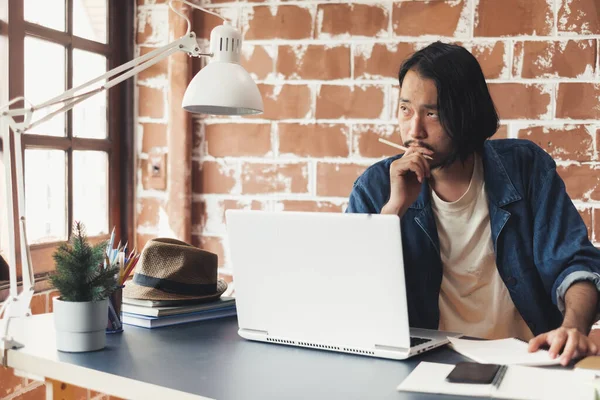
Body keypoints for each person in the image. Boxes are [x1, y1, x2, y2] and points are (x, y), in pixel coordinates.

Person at [346, 42, 600, 366]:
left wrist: (573, 328)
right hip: (424, 367)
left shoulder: (524, 168)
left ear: (466, 115)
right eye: (406, 109)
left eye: (432, 113)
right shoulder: (376, 187)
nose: (415, 130)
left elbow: (574, 261)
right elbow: (352, 301)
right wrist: (393, 211)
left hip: (527, 360)